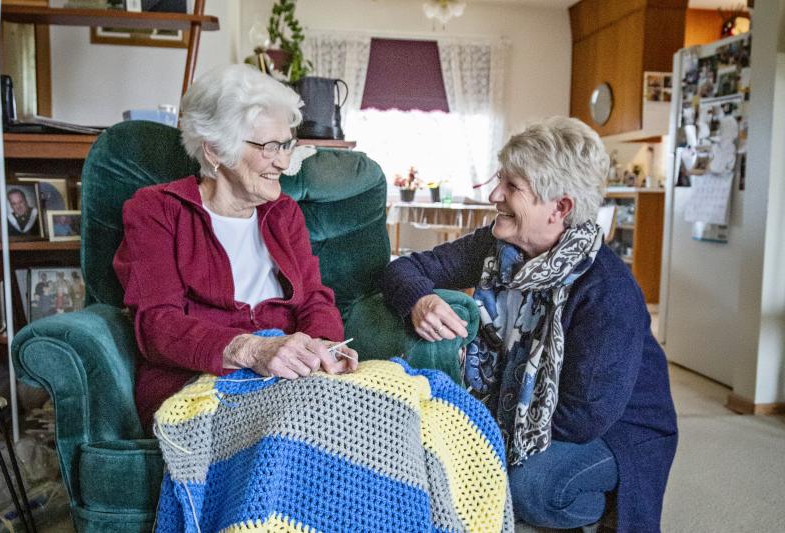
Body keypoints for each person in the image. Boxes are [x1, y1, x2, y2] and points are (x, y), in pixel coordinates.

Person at [382, 117, 677, 532]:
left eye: (513, 187)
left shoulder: (607, 289)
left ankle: (606, 504)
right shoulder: (496, 247)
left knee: (528, 488)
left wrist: (485, 435)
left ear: (560, 208)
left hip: (620, 429)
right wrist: (420, 300)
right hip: (528, 410)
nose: (494, 195)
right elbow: (407, 269)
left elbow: (582, 418)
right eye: (500, 179)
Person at [113, 64, 358, 431]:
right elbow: (157, 325)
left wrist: (322, 348)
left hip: (293, 381)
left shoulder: (283, 213)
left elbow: (314, 300)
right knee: (313, 429)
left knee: (406, 404)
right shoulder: (156, 210)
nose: (284, 161)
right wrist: (252, 350)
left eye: (287, 144)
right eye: (270, 147)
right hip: (201, 384)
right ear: (215, 151)